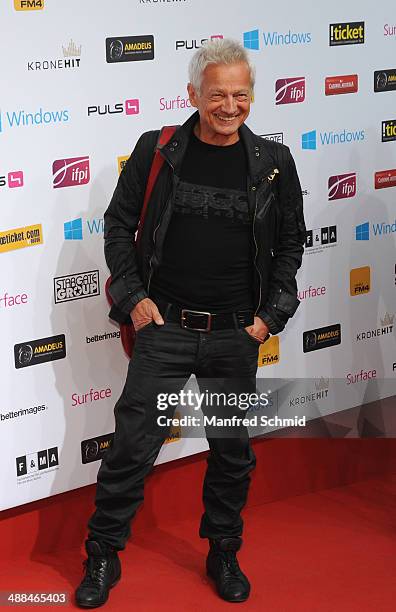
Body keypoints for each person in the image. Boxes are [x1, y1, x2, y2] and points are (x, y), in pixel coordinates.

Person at [75, 38, 305, 608]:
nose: (230, 106)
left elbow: (292, 243)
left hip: (235, 336)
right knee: (132, 446)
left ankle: (223, 549)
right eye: (217, 95)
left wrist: (271, 316)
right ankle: (102, 555)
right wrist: (132, 298)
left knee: (231, 450)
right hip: (166, 331)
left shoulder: (274, 164)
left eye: (241, 95)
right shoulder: (159, 151)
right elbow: (118, 224)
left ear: (251, 96)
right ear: (193, 94)